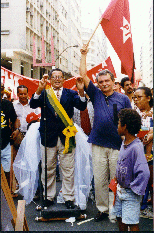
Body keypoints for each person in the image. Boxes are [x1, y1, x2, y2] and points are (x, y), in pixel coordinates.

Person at [80, 44, 132, 221]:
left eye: (106, 81)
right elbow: (83, 75)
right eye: (100, 82)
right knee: (100, 179)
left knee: (118, 180)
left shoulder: (124, 98)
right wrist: (84, 54)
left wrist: (129, 142)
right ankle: (102, 210)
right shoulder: (95, 94)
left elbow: (130, 122)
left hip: (118, 145)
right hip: (99, 144)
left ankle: (117, 209)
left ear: (113, 81)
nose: (103, 84)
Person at [29, 68, 87, 209]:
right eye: (54, 77)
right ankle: (48, 197)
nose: (57, 79)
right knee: (48, 168)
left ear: (63, 79)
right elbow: (32, 104)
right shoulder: (44, 92)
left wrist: (81, 91)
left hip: (66, 137)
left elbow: (82, 105)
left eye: (60, 77)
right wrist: (39, 89)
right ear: (50, 78)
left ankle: (68, 197)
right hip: (48, 136)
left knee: (68, 169)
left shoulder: (71, 93)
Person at [111, 108, 150, 231]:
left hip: (130, 193)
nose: (117, 126)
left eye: (118, 123)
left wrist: (134, 188)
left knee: (132, 223)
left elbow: (144, 172)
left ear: (125, 126)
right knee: (120, 218)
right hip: (120, 190)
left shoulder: (136, 147)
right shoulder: (125, 142)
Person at [133, 87, 153, 218]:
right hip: (138, 152)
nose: (135, 100)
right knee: (141, 180)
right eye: (134, 97)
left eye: (139, 97)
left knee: (152, 180)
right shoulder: (133, 113)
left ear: (149, 98)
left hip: (151, 153)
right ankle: (141, 207)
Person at [1, 83, 20, 187]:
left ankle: (7, 196)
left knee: (7, 171)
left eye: (1, 89)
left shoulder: (8, 104)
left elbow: (15, 119)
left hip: (6, 143)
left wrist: (17, 129)